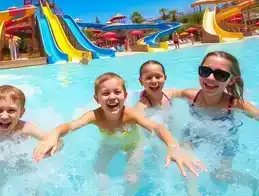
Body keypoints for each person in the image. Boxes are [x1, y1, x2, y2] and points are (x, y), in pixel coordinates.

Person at [34, 73, 205, 195]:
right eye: (105, 93)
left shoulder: (130, 114)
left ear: (125, 95)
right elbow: (70, 126)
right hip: (108, 145)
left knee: (132, 179)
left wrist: (172, 145)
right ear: (97, 99)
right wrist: (54, 134)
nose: (112, 97)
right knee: (98, 173)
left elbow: (156, 127)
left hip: (133, 145)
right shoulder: (94, 116)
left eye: (117, 92)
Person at [135, 52, 259, 195]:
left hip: (224, 138)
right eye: (205, 71)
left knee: (221, 175)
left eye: (220, 75)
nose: (210, 78)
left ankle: (256, 183)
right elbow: (168, 93)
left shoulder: (235, 103)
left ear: (231, 80)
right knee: (185, 162)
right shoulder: (191, 95)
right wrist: (145, 98)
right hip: (195, 133)